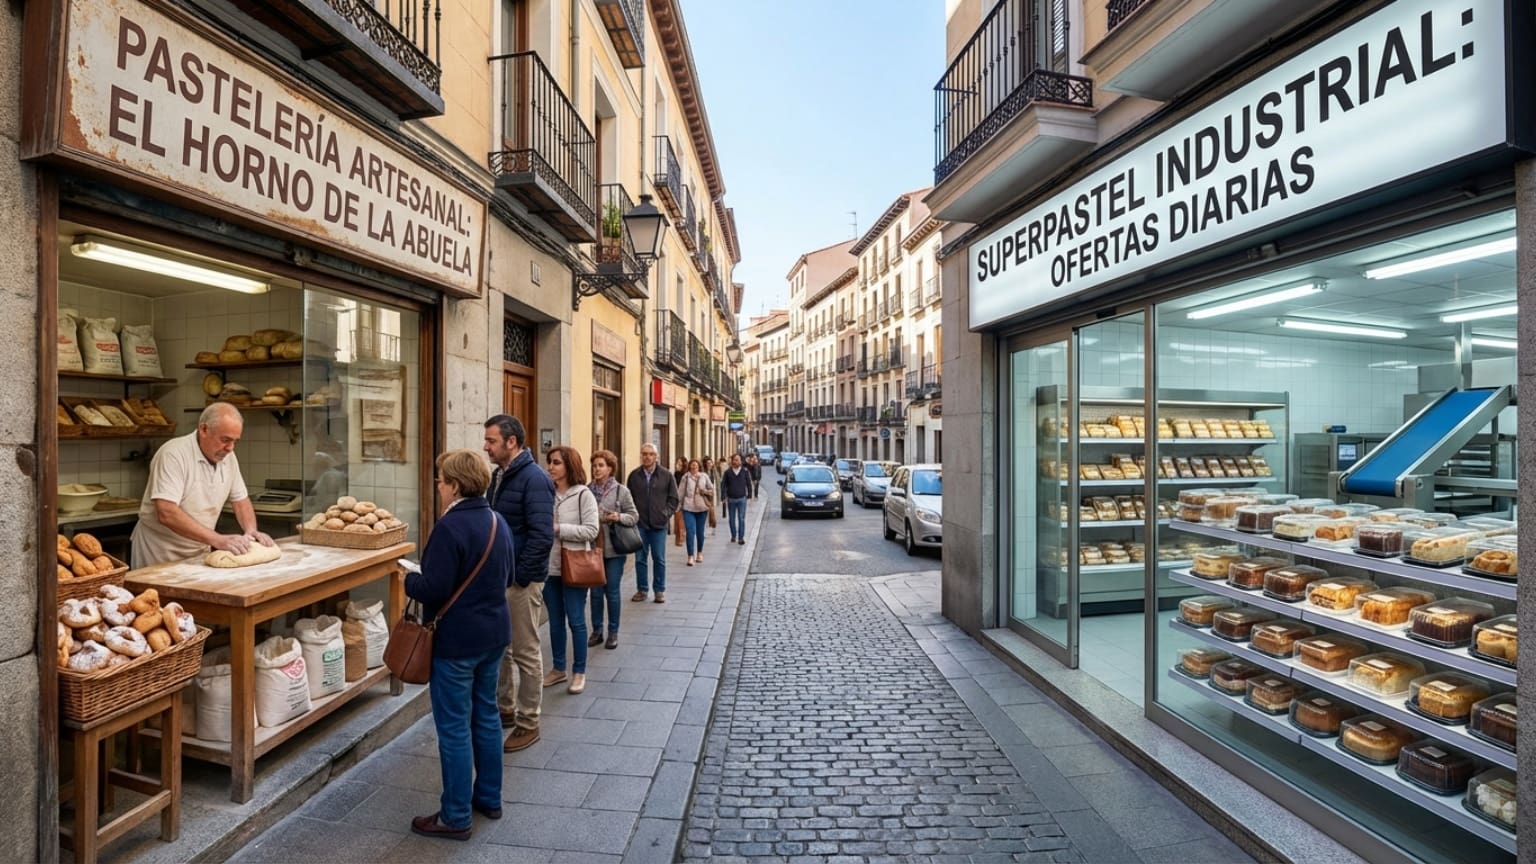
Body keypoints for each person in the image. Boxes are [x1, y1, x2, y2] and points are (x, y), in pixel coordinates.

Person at [405, 450, 514, 841]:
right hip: (495, 634)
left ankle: (454, 816)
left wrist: (408, 579)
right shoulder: (496, 521)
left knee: (452, 728)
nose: (437, 486)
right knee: (485, 716)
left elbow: (432, 588)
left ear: (454, 485)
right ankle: (489, 797)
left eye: (440, 480)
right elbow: (508, 573)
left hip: (457, 641)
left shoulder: (449, 527)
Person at [483, 414, 554, 753]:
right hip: (501, 577)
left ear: (511, 442)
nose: (486, 446)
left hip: (521, 582)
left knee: (526, 651)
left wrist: (521, 578)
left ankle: (529, 722)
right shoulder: (499, 476)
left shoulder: (535, 479)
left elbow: (542, 536)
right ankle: (506, 707)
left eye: (492, 441)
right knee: (502, 648)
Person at [131, 402, 275, 568]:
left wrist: (251, 531)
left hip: (198, 549)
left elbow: (240, 499)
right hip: (160, 551)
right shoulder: (173, 454)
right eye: (225, 440)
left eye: (235, 441)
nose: (230, 448)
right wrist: (217, 539)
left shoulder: (228, 456)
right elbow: (166, 512)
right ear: (204, 429)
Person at [543, 446, 600, 695]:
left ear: (569, 465)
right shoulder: (546, 492)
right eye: (549, 462)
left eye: (556, 462)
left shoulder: (583, 494)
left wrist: (558, 529)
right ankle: (558, 669)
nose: (551, 467)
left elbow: (591, 530)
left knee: (576, 620)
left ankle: (579, 671)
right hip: (549, 567)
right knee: (555, 621)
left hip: (576, 565)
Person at [588, 449, 638, 650]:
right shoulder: (586, 490)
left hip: (615, 550)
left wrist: (618, 517)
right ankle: (597, 631)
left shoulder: (621, 491)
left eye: (601, 465)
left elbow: (633, 516)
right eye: (594, 465)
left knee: (613, 592)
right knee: (595, 592)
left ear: (610, 468)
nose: (596, 469)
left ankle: (613, 632)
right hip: (592, 549)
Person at [626, 444, 679, 603]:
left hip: (658, 525)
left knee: (659, 558)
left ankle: (659, 590)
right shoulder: (634, 476)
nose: (647, 457)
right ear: (641, 456)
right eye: (644, 454)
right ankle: (642, 590)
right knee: (640, 559)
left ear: (656, 456)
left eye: (650, 454)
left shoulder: (666, 475)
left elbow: (674, 499)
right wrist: (632, 517)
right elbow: (628, 499)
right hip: (640, 524)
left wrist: (665, 514)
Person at [679, 459, 714, 566]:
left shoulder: (704, 476)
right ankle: (690, 556)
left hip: (702, 508)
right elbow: (680, 492)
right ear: (689, 467)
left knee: (700, 532)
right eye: (692, 465)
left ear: (699, 467)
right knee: (690, 532)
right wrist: (678, 507)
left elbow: (712, 490)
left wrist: (703, 491)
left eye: (696, 465)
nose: (694, 467)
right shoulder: (685, 477)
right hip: (688, 508)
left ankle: (699, 553)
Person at [721, 453, 751, 545]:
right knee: (731, 519)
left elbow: (748, 484)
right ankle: (733, 535)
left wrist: (749, 495)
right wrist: (723, 497)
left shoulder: (745, 472)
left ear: (741, 461)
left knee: (741, 518)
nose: (736, 461)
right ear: (732, 461)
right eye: (734, 459)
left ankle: (741, 538)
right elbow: (723, 485)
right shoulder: (727, 472)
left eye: (738, 460)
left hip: (742, 498)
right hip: (731, 499)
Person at [672, 456, 688, 546]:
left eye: (679, 462)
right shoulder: (676, 473)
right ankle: (678, 538)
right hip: (677, 499)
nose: (677, 464)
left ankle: (681, 538)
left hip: (684, 499)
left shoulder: (685, 474)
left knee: (681, 520)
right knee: (677, 519)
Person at [702, 456, 719, 536]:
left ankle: (713, 528)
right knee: (704, 513)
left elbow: (717, 482)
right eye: (708, 463)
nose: (710, 464)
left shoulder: (713, 472)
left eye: (711, 463)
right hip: (704, 495)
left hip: (712, 495)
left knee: (712, 513)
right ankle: (704, 530)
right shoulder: (703, 472)